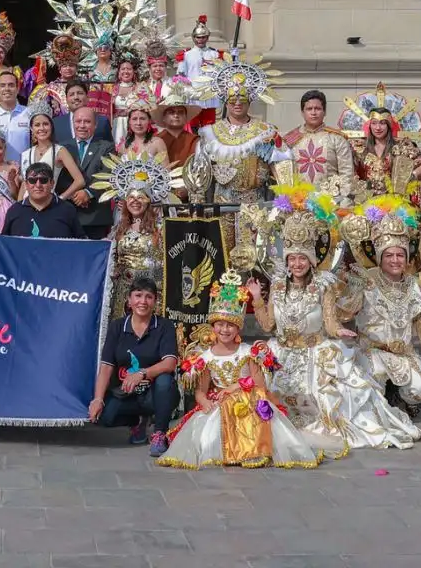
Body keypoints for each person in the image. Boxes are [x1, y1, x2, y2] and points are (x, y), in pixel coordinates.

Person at [252, 206, 421, 451]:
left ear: (311, 260)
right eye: (292, 258)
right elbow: (268, 325)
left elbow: (330, 323)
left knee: (329, 398)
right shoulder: (277, 286)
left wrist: (340, 331)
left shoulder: (323, 286)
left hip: (314, 353)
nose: (297, 264)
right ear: (286, 260)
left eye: (302, 258)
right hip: (282, 356)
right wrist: (257, 298)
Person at [156, 270, 324, 470]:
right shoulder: (205, 357)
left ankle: (252, 450)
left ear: (238, 328)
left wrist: (234, 387)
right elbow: (200, 389)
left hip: (249, 402)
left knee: (252, 410)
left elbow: (259, 383)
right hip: (219, 405)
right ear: (213, 326)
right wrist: (205, 402)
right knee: (207, 439)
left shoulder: (248, 352)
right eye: (220, 325)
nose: (224, 330)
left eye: (230, 325)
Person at [340, 195, 421, 419]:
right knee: (376, 375)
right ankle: (381, 399)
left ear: (407, 257)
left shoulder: (413, 284)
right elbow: (345, 312)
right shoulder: (367, 279)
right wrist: (352, 289)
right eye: (389, 255)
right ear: (380, 258)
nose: (395, 260)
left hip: (403, 354)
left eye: (400, 255)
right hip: (372, 351)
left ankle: (397, 395)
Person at [190, 56, 289, 258]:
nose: (237, 103)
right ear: (225, 100)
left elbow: (283, 167)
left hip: (255, 206)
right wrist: (198, 207)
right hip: (220, 206)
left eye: (242, 99)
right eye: (232, 99)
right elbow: (199, 176)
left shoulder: (264, 132)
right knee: (220, 259)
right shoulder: (210, 133)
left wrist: (286, 201)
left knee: (254, 260)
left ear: (250, 100)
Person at [89, 277, 181, 456]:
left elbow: (170, 363)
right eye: (138, 296)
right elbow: (107, 366)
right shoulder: (117, 327)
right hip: (125, 394)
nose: (143, 301)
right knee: (104, 417)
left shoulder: (164, 326)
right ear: (129, 300)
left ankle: (159, 433)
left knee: (165, 381)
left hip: (154, 394)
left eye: (148, 297)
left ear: (155, 301)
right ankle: (137, 422)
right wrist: (98, 399)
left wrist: (142, 373)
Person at [92, 150, 181, 317]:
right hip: (124, 292)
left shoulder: (160, 227)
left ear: (149, 202)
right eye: (131, 198)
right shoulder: (120, 227)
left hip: (151, 291)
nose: (135, 202)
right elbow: (110, 254)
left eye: (140, 198)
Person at [342, 86, 421, 203]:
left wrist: (411, 176)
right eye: (374, 123)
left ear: (389, 126)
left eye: (382, 123)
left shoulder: (402, 146)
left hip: (395, 202)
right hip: (366, 202)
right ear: (369, 125)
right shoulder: (359, 148)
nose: (378, 127)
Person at [281, 90, 357, 198]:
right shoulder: (291, 139)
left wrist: (344, 201)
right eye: (309, 109)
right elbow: (284, 174)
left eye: (317, 108)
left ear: (324, 112)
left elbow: (346, 174)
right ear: (302, 112)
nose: (313, 112)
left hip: (331, 202)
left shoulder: (336, 139)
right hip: (299, 201)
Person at [62, 106, 115, 239]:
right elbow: (59, 177)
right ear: (73, 123)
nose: (82, 126)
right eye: (78, 121)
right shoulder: (63, 147)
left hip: (95, 217)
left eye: (87, 121)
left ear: (95, 124)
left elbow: (108, 174)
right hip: (68, 214)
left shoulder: (107, 147)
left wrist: (88, 193)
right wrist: (76, 195)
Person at [20, 102, 87, 207]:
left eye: (45, 124)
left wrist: (60, 199)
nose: (41, 128)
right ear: (32, 129)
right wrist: (19, 207)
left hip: (49, 205)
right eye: (37, 125)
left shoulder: (59, 151)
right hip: (27, 206)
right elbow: (24, 185)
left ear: (51, 126)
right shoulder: (26, 154)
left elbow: (80, 181)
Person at [2, 164, 85, 238]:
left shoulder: (67, 210)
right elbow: (4, 244)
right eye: (32, 180)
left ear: (52, 183)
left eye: (43, 180)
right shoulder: (14, 211)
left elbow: (81, 244)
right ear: (26, 185)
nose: (38, 185)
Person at [0, 68, 33, 160]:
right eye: (2, 85)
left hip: (24, 171)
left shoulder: (29, 113)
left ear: (17, 89)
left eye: (11, 85)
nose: (7, 89)